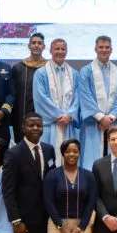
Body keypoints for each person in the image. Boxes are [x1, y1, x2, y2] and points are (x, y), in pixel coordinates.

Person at [2, 113, 55, 233]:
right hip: (22, 224)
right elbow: (8, 190)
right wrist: (16, 220)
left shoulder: (49, 150)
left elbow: (51, 181)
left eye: (39, 125)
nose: (35, 128)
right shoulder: (14, 153)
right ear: (23, 128)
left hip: (43, 221)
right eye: (31, 125)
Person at [44, 139, 98, 233]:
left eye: (75, 151)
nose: (71, 154)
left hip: (82, 228)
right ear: (63, 154)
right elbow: (49, 202)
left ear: (79, 153)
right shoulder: (52, 175)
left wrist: (81, 228)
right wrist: (61, 227)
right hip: (57, 227)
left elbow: (91, 203)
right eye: (68, 151)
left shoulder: (88, 176)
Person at [78, 36, 117, 169]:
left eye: (107, 47)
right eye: (101, 47)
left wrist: (110, 118)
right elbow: (85, 96)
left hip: (112, 123)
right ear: (95, 49)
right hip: (93, 124)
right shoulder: (86, 71)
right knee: (91, 162)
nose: (104, 50)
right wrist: (100, 118)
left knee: (113, 162)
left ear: (111, 49)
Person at [33, 38, 80, 166]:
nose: (60, 52)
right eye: (57, 49)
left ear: (67, 51)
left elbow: (77, 98)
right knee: (48, 161)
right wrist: (60, 116)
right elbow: (40, 99)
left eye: (63, 49)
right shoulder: (40, 73)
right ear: (50, 51)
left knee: (70, 158)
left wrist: (69, 115)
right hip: (50, 125)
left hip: (68, 125)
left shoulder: (74, 74)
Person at [11, 32, 47, 142]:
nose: (36, 45)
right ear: (29, 46)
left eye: (39, 43)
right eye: (33, 43)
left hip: (44, 115)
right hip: (21, 114)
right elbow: (13, 93)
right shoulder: (18, 68)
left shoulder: (48, 68)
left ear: (44, 47)